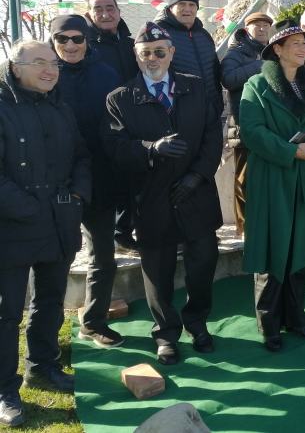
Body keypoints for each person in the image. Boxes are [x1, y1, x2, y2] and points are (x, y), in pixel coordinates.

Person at [103, 22, 223, 365]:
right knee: (157, 270)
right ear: (137, 57)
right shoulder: (120, 99)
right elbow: (115, 148)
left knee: (203, 263)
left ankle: (198, 322)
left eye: (159, 51)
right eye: (145, 53)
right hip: (151, 197)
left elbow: (214, 135)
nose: (153, 58)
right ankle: (166, 333)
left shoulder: (196, 88)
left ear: (171, 53)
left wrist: (198, 176)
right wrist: (150, 148)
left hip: (195, 192)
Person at [0, 41, 90, 428]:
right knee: (6, 314)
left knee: (50, 301)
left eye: (53, 63)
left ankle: (44, 365)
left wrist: (78, 195)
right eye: (39, 63)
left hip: (60, 221)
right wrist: (28, 208)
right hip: (13, 227)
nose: (50, 69)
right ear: (15, 67)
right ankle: (4, 390)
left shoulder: (61, 108)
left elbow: (82, 157)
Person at [240, 25, 305, 350]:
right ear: (277, 50)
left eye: (304, 43)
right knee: (273, 252)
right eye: (295, 43)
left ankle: (296, 316)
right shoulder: (255, 85)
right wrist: (291, 150)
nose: (302, 47)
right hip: (274, 179)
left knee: (301, 250)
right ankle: (269, 323)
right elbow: (252, 132)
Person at [50, 15, 125, 348]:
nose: (70, 45)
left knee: (103, 256)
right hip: (56, 183)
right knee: (56, 260)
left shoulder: (106, 74)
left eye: (77, 38)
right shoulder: (44, 75)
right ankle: (46, 339)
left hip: (101, 177)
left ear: (87, 39)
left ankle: (93, 321)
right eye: (62, 38)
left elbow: (119, 122)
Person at [82, 0, 138, 251]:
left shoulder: (131, 43)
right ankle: (110, 237)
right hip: (99, 124)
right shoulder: (85, 46)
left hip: (133, 120)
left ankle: (125, 231)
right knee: (107, 183)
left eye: (110, 8)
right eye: (99, 9)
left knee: (131, 179)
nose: (105, 14)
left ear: (118, 12)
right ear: (89, 14)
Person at [220, 12, 273, 236]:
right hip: (242, 127)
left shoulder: (272, 50)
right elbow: (228, 79)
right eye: (256, 25)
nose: (261, 29)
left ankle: (263, 228)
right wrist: (260, 66)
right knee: (244, 182)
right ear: (246, 28)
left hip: (269, 128)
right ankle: (245, 231)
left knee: (264, 182)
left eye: (265, 25)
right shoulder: (236, 51)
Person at [154, 0, 223, 115]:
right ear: (171, 7)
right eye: (182, 4)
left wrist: (217, 104)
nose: (187, 9)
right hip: (179, 112)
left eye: (192, 5)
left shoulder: (203, 35)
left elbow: (214, 72)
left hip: (211, 110)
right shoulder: (159, 34)